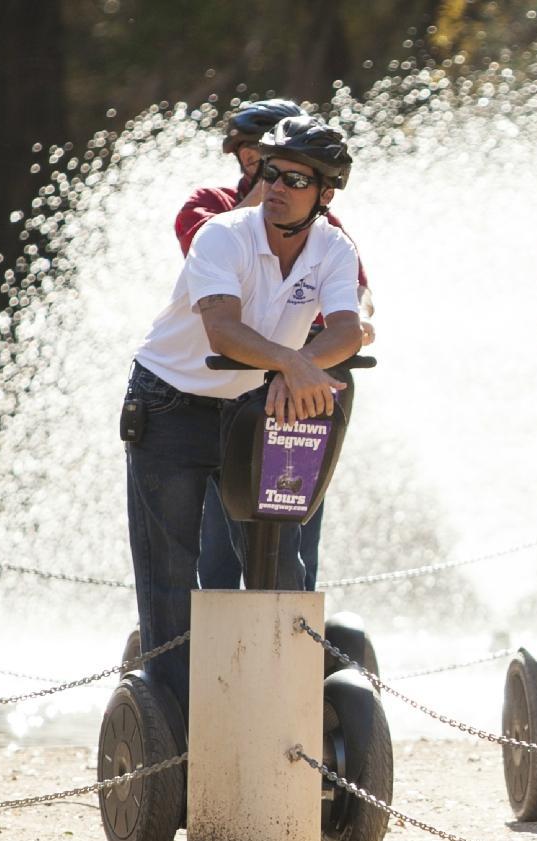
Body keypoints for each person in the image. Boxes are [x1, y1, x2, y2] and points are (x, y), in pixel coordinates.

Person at [120, 115, 364, 718]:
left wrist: (296, 367)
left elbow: (349, 330)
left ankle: (280, 713)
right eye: (270, 171)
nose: (276, 185)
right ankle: (178, 729)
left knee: (280, 562)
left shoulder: (333, 246)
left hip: (250, 408)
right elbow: (223, 328)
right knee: (172, 580)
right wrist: (296, 366)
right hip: (169, 403)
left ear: (325, 194)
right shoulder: (223, 235)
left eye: (296, 178)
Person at [177, 99, 375, 595]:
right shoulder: (212, 208)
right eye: (263, 162)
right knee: (222, 525)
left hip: (300, 383)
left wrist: (351, 329)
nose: (273, 179)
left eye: (293, 173)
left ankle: (291, 630)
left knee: (292, 519)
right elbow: (217, 288)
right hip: (226, 381)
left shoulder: (325, 231)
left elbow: (356, 300)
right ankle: (214, 629)